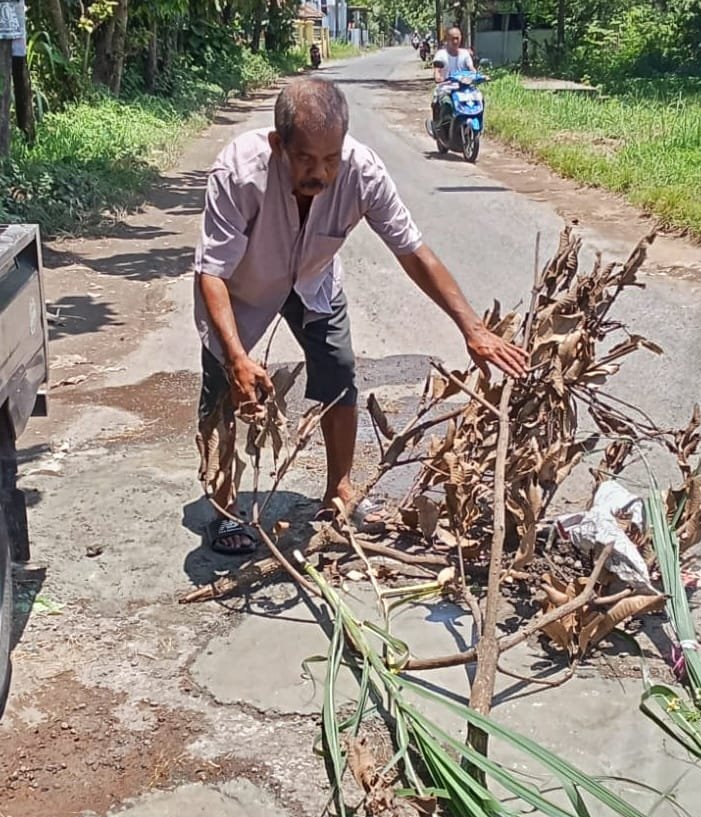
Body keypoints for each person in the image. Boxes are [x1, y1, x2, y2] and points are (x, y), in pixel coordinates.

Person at [193, 78, 525, 555]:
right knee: (225, 386)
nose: (320, 173)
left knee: (340, 374)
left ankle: (338, 489)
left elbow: (413, 251)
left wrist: (471, 328)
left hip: (314, 280)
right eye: (306, 159)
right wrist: (237, 357)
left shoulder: (361, 171)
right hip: (243, 288)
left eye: (330, 159)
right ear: (278, 144)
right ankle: (224, 508)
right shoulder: (239, 172)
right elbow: (213, 273)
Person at [432, 26, 476, 127]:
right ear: (447, 39)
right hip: (446, 88)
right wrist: (438, 77)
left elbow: (471, 68)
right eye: (452, 38)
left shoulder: (465, 54)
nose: (455, 41)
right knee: (447, 104)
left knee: (479, 99)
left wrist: (476, 75)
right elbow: (437, 70)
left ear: (461, 38)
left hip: (464, 88)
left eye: (457, 38)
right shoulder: (441, 54)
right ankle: (443, 127)